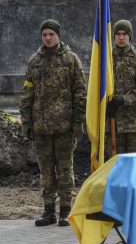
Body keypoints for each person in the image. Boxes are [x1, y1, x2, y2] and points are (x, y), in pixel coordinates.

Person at [20, 19, 86, 227]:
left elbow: (80, 92)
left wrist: (78, 122)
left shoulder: (70, 59)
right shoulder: (35, 61)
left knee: (65, 169)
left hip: (64, 127)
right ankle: (48, 210)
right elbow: (27, 92)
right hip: (41, 127)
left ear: (58, 35)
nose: (47, 38)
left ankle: (65, 210)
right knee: (46, 171)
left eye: (51, 34)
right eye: (44, 35)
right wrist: (26, 121)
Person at [108, 19, 136, 154]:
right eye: (118, 34)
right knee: (115, 167)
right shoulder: (106, 58)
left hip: (135, 124)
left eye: (125, 34)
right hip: (112, 123)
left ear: (130, 36)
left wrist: (123, 100)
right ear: (113, 36)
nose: (121, 37)